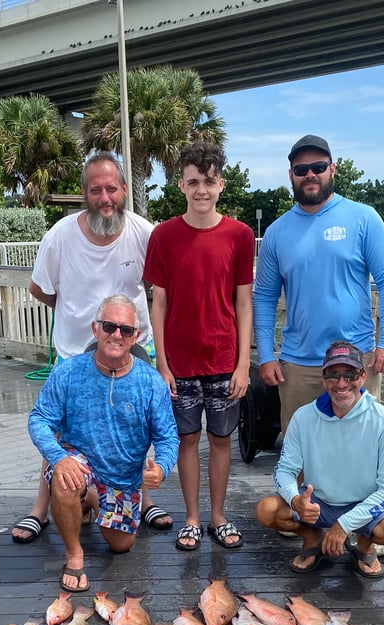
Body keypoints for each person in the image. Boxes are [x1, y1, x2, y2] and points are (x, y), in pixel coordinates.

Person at [12, 151, 172, 543]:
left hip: (133, 347)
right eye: (96, 189)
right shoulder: (60, 235)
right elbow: (41, 289)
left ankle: (141, 498)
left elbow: (160, 291)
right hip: (74, 351)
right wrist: (81, 319)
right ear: (84, 192)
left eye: (112, 189)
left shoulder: (144, 233)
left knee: (133, 426)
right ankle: (41, 506)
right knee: (61, 431)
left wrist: (123, 332)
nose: (105, 198)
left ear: (124, 191)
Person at [143, 141, 254, 552]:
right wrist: (162, 363)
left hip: (225, 361)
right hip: (181, 363)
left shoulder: (240, 235)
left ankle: (218, 516)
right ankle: (191, 518)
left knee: (222, 441)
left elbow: (244, 303)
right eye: (193, 182)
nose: (201, 190)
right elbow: (159, 302)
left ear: (221, 184)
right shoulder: (164, 235)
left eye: (209, 181)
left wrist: (244, 364)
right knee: (188, 440)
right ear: (181, 185)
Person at [27, 294, 179, 593]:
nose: (116, 334)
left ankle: (91, 499)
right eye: (109, 326)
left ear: (136, 336)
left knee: (121, 545)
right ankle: (74, 555)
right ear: (95, 329)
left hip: (123, 479)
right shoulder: (68, 372)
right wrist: (58, 457)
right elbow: (39, 419)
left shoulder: (151, 383)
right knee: (66, 478)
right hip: (78, 461)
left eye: (125, 329)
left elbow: (168, 436)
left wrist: (161, 466)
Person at [253, 134, 384, 431]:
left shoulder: (364, 218)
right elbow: (264, 298)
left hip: (356, 360)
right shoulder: (275, 232)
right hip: (298, 366)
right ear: (291, 176)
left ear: (332, 169)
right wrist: (267, 355)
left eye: (318, 166)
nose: (310, 174)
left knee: (360, 450)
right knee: (300, 455)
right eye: (301, 169)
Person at [255, 340, 384, 579]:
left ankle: (365, 546)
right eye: (333, 376)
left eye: (350, 375)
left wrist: (344, 525)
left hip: (364, 504)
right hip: (319, 502)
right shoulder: (303, 417)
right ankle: (312, 538)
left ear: (362, 376)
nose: (341, 384)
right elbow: (285, 469)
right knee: (266, 510)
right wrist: (295, 499)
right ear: (323, 378)